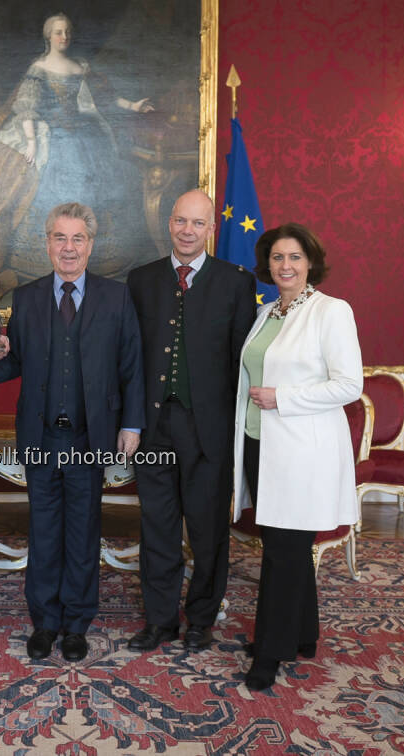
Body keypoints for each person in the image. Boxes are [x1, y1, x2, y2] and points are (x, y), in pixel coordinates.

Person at [0, 202, 144, 662]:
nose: (69, 247)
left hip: (89, 438)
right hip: (40, 437)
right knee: (43, 530)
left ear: (90, 245)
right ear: (48, 243)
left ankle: (76, 624)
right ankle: (45, 622)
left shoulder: (116, 298)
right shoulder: (30, 297)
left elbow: (132, 364)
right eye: (60, 238)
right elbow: (15, 361)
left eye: (78, 239)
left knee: (82, 531)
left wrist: (132, 424)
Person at [125, 189, 256, 653]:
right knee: (156, 527)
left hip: (210, 431)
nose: (187, 230)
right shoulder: (140, 280)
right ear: (169, 223)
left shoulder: (236, 282)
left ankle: (201, 617)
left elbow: (244, 360)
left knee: (207, 531)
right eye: (181, 221)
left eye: (197, 223)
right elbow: (130, 359)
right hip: (155, 427)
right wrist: (130, 422)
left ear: (211, 230)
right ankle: (160, 620)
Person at [233, 223, 362, 691]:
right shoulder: (267, 312)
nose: (285, 266)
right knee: (286, 546)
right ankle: (304, 634)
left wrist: (283, 397)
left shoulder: (331, 311)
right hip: (257, 446)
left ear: (310, 263)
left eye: (294, 257)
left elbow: (350, 385)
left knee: (283, 553)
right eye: (276, 258)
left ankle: (270, 650)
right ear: (267, 264)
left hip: (300, 451)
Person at [0, 12, 154, 291]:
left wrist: (134, 106)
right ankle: (37, 259)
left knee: (100, 187)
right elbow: (27, 107)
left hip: (84, 136)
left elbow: (104, 98)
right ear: (48, 36)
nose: (63, 36)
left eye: (66, 31)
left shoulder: (80, 67)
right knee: (45, 189)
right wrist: (31, 142)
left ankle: (97, 257)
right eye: (58, 32)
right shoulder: (39, 68)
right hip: (51, 138)